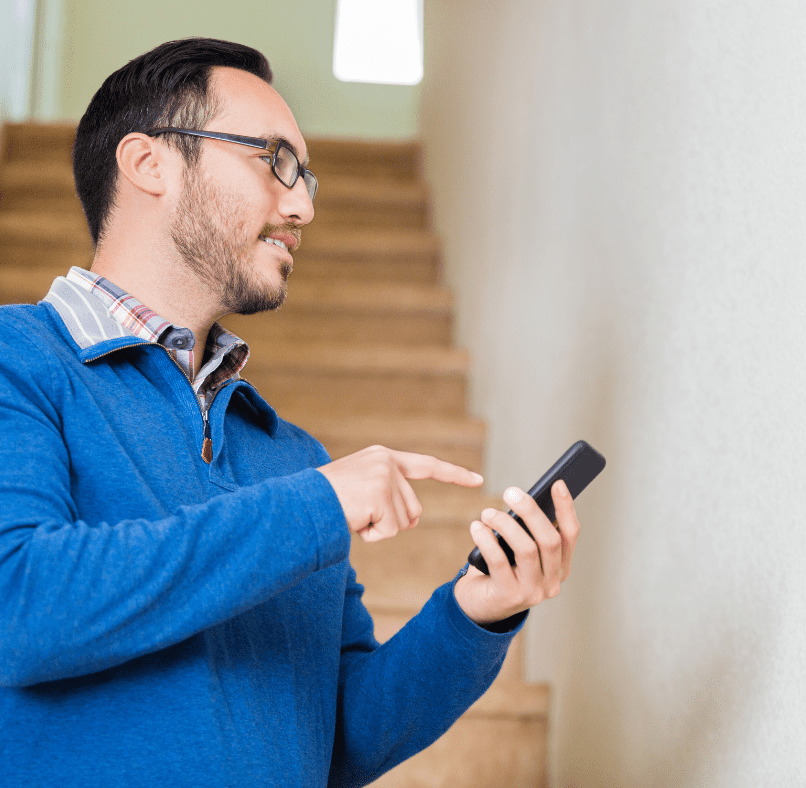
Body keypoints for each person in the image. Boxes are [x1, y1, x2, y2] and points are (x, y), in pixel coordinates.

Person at [0, 38, 581, 787]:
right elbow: (19, 605)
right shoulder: (20, 360)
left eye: (305, 175)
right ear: (149, 164)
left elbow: (336, 741)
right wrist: (319, 506)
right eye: (272, 160)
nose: (302, 205)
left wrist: (476, 615)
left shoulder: (292, 457)